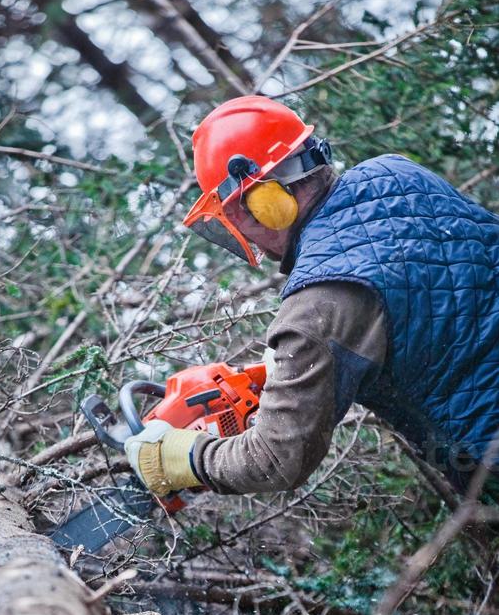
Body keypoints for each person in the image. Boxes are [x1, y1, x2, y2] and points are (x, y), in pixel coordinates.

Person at [125, 95, 499, 499]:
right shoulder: (395, 173)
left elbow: (275, 459)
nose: (244, 237)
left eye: (233, 219)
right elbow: (435, 301)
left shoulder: (317, 304)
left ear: (265, 202)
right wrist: (293, 369)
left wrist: (191, 458)